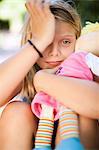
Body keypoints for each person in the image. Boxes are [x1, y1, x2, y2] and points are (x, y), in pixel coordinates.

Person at [0, 0, 98, 149]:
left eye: (65, 42)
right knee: (15, 111)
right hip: (36, 135)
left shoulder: (89, 64)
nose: (54, 53)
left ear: (78, 39)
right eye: (47, 43)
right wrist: (38, 41)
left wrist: (43, 79)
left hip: (78, 137)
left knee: (81, 112)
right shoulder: (28, 69)